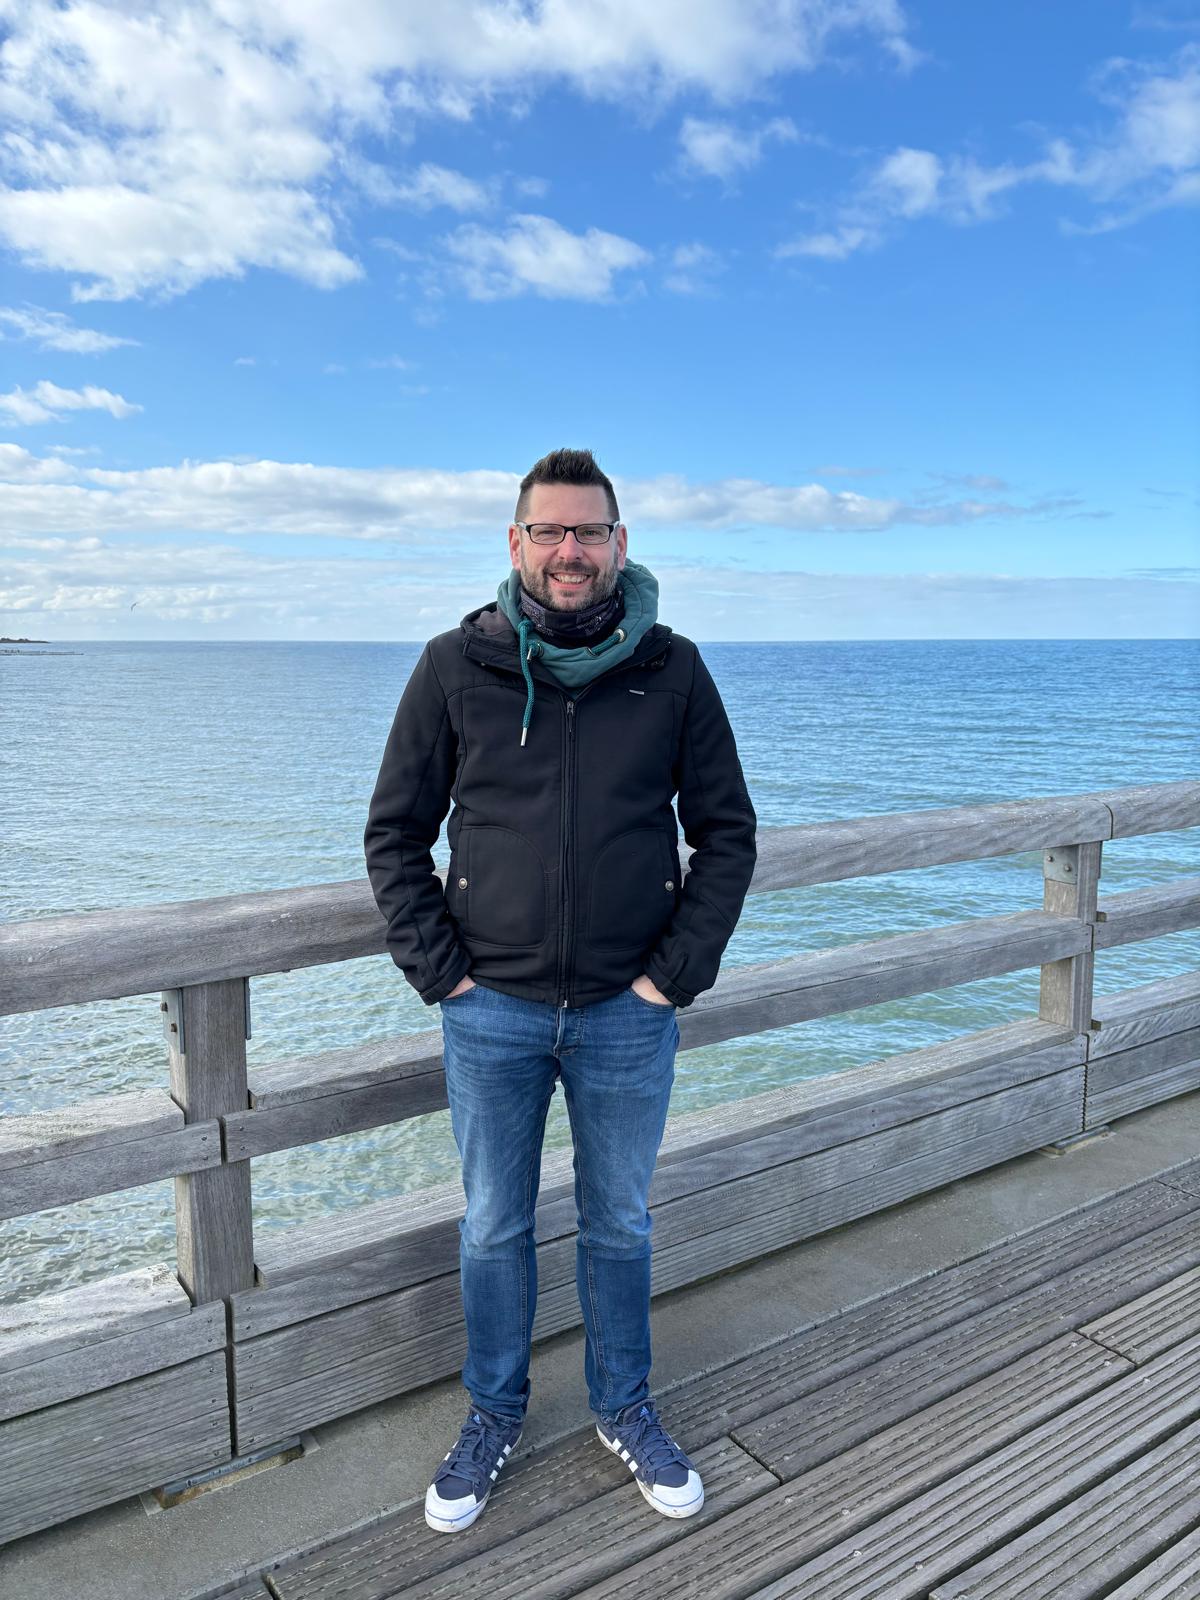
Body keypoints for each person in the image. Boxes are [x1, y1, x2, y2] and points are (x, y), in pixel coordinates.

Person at [364, 446, 757, 1534]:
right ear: (516, 542)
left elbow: (727, 833)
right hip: (490, 1007)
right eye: (549, 531)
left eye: (588, 531)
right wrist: (443, 975)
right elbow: (394, 833)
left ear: (620, 544)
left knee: (618, 1221)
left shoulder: (673, 670)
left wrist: (672, 977)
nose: (569, 551)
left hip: (629, 1011)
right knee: (493, 1224)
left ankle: (623, 1404)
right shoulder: (455, 666)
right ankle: (494, 1412)